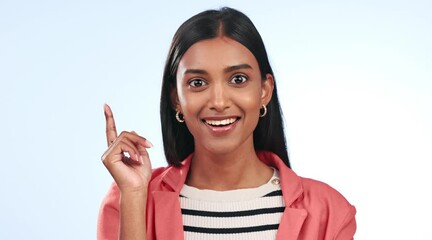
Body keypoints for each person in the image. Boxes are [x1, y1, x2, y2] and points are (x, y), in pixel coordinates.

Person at [98, 7, 356, 240]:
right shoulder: (128, 200)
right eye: (198, 83)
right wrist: (132, 196)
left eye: (238, 79)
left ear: (264, 90)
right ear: (176, 98)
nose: (219, 102)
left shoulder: (329, 211)